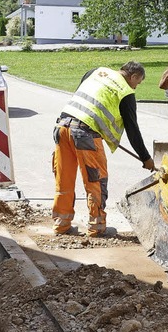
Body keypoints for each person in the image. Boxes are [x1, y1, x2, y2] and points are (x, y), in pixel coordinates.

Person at [52, 61, 155, 237]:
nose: (136, 87)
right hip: (85, 134)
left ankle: (61, 225)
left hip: (62, 127)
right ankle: (97, 228)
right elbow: (132, 129)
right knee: (96, 182)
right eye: (138, 83)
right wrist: (146, 158)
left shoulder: (96, 72)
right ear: (134, 76)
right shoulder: (126, 92)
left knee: (64, 180)